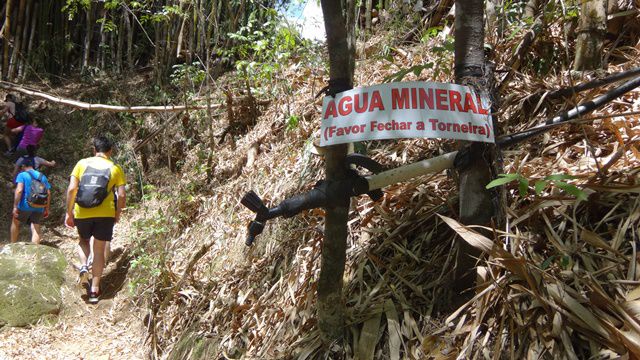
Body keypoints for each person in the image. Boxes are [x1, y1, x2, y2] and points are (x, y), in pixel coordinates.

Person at [65, 136, 126, 304]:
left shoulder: (81, 164)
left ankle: (84, 264)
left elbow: (72, 189)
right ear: (110, 151)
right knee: (99, 250)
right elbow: (121, 195)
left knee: (83, 241)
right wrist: (117, 213)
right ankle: (94, 289)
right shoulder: (115, 168)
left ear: (94, 150)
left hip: (82, 212)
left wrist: (69, 212)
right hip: (105, 214)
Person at [11, 157, 51, 244]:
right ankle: (34, 250)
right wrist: (47, 208)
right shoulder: (42, 176)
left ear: (23, 166)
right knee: (36, 227)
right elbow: (48, 193)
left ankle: (12, 245)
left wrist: (15, 206)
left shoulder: (22, 175)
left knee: (15, 223)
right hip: (39, 206)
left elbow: (19, 190)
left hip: (24, 206)